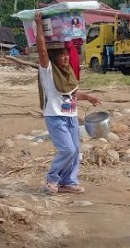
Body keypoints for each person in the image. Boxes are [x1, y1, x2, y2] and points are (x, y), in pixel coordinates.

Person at [34, 12, 100, 195]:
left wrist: (89, 97)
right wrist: (39, 25)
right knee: (67, 150)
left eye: (66, 55)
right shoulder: (48, 70)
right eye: (61, 55)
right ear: (54, 56)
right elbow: (41, 51)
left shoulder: (68, 72)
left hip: (70, 117)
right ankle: (52, 178)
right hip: (56, 117)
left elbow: (71, 93)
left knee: (76, 151)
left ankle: (68, 182)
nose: (65, 58)